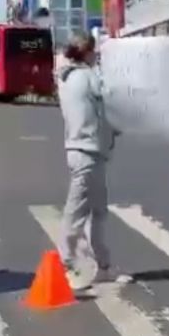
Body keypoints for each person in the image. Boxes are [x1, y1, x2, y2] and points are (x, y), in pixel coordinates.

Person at [58, 34, 130, 289]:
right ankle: (67, 267)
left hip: (88, 151)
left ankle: (104, 266)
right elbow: (113, 101)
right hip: (86, 152)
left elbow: (99, 112)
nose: (97, 56)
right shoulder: (87, 77)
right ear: (87, 52)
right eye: (95, 52)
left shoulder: (67, 77)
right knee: (76, 212)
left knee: (98, 211)